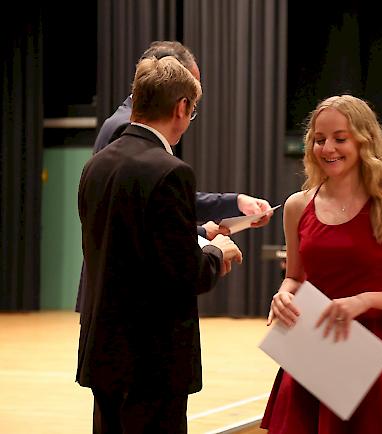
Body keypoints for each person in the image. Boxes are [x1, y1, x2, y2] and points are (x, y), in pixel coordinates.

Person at [76, 56, 243, 433]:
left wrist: (197, 235)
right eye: (192, 110)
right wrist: (218, 251)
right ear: (181, 107)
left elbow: (128, 248)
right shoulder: (170, 171)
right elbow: (187, 273)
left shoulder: (96, 166)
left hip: (104, 351)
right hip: (151, 360)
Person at [261, 95, 382, 433]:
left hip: (370, 352)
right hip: (312, 348)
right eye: (319, 139)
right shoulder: (297, 206)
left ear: (364, 140)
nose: (328, 147)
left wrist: (367, 300)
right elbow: (295, 278)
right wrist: (284, 294)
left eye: (340, 138)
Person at [76, 40, 272, 312]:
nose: (192, 107)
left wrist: (227, 208)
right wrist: (214, 248)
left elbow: (142, 213)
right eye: (191, 97)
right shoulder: (131, 134)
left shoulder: (114, 141)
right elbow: (138, 230)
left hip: (112, 303)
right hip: (135, 306)